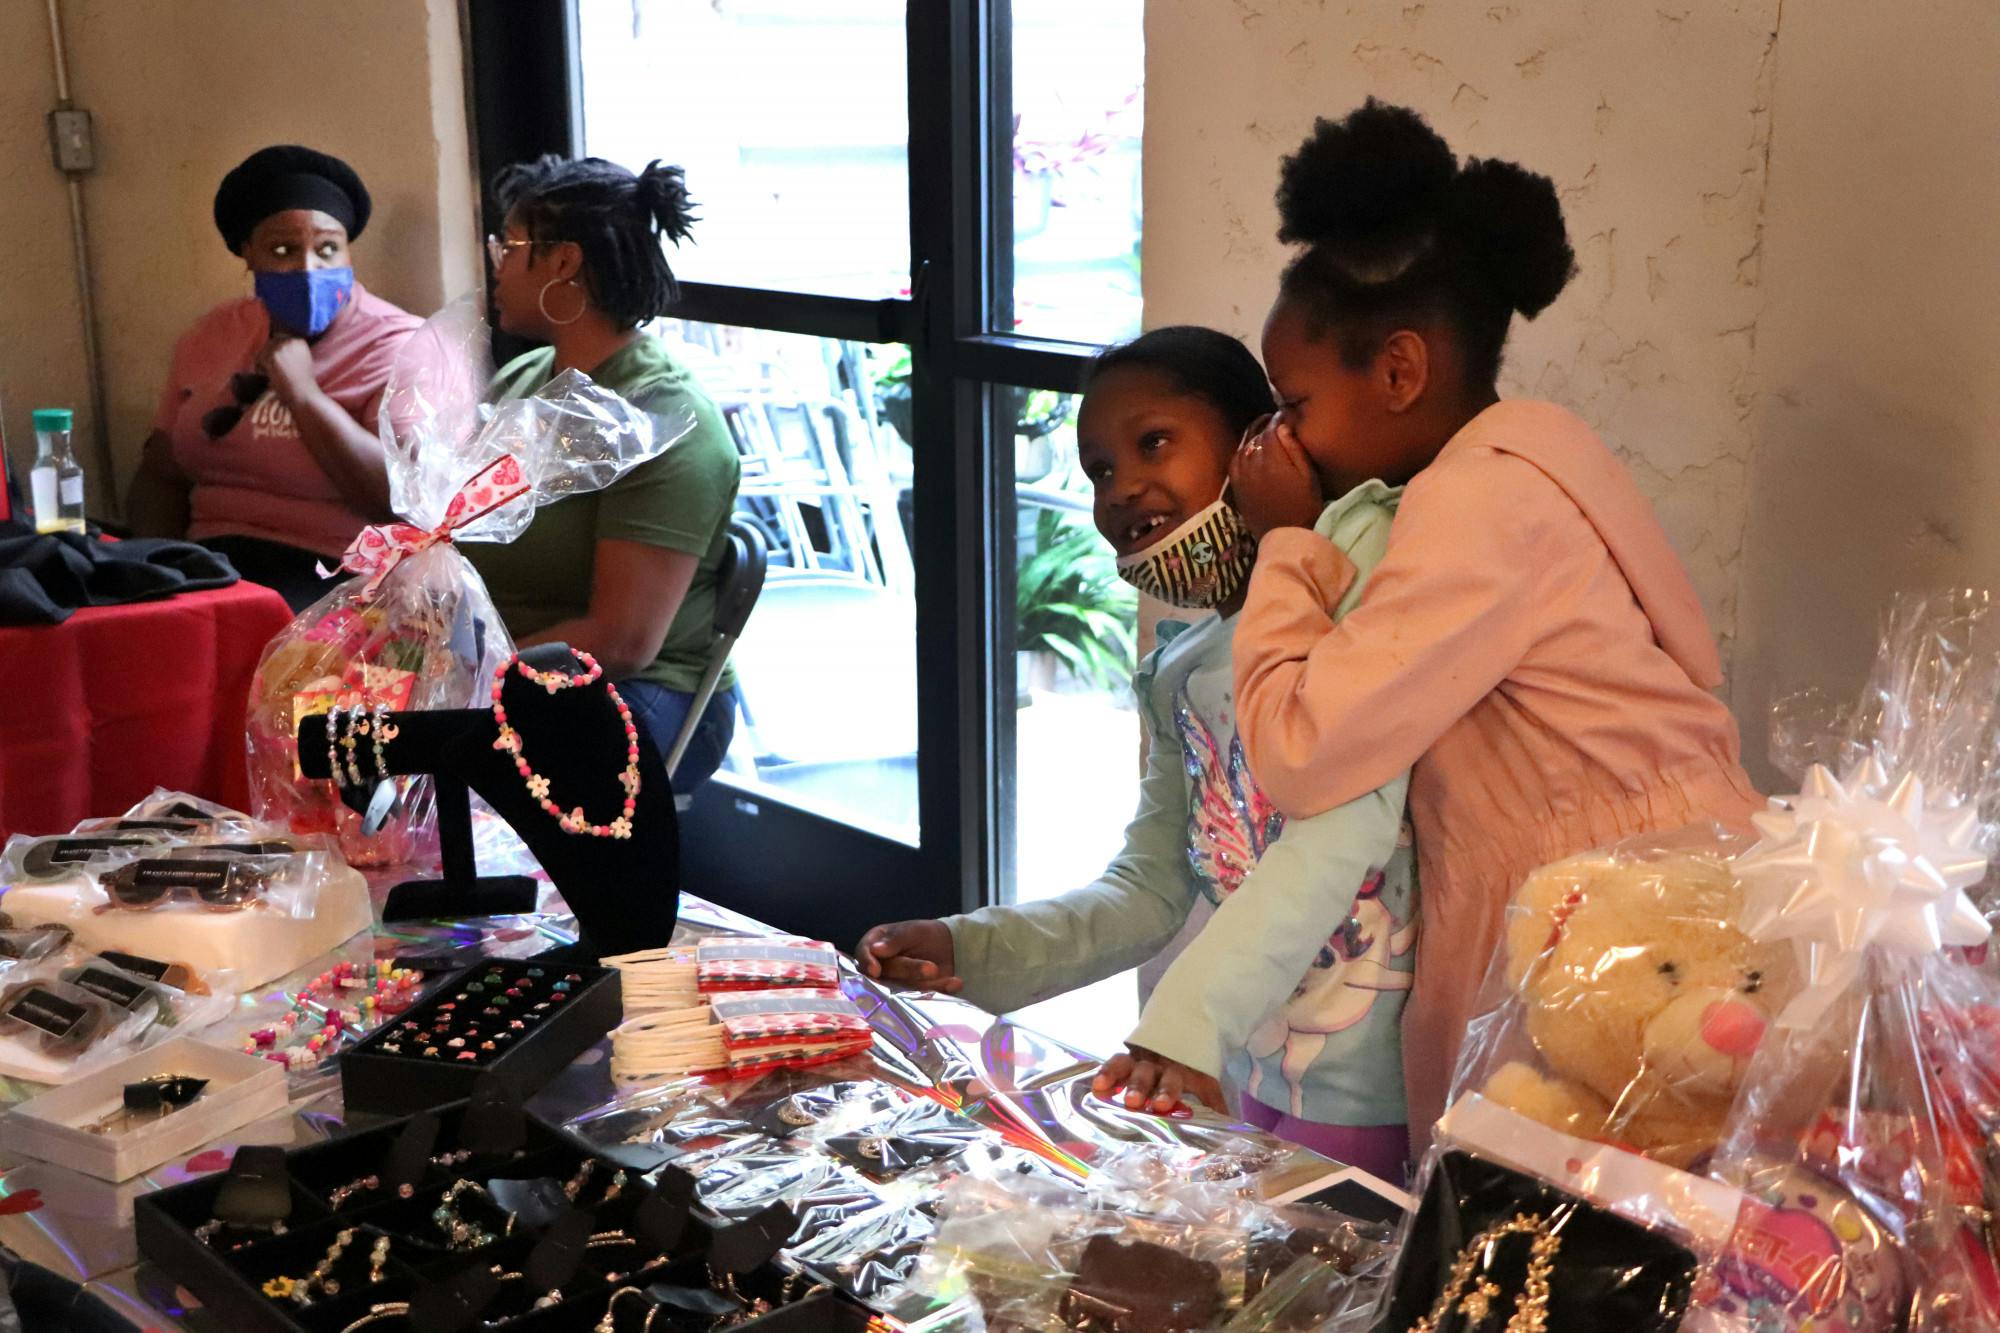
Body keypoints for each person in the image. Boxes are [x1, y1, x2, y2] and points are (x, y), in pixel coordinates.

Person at [1221, 100, 1761, 1150]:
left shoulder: (1473, 507)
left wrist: (1284, 545)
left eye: (1292, 400)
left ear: (1398, 372)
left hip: (1604, 928)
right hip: (1655, 889)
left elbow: (1303, 748)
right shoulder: (1524, 468)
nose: (1281, 434)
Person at [858, 327, 1418, 1180]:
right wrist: (968, 949)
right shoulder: (1180, 676)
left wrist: (1184, 1024)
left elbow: (1338, 834)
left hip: (1377, 1091)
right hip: (1249, 1071)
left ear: (1259, 440)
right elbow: (1150, 888)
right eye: (1099, 472)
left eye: (1152, 441)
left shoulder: (1352, 593)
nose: (1120, 490)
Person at [468, 155, 742, 793]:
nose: (496, 266)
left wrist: (473, 682)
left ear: (563, 262)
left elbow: (622, 641)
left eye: (506, 246)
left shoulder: (665, 420)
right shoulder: (524, 377)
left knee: (448, 748)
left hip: (640, 691)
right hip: (514, 667)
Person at [128, 145, 422, 610]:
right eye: (283, 250)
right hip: (211, 569)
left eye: (328, 249)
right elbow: (160, 473)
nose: (309, 269)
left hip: (336, 578)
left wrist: (303, 395)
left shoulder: (399, 345)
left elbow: (402, 501)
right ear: (248, 254)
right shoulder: (211, 336)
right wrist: (151, 570)